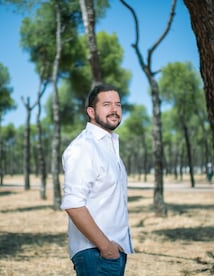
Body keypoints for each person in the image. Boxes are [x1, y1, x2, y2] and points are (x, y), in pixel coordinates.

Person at [60, 84, 134, 276]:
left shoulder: (109, 149)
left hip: (112, 253)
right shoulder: (83, 148)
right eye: (107, 104)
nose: (114, 110)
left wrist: (113, 250)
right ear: (91, 112)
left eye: (118, 105)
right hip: (96, 254)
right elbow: (73, 204)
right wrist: (106, 247)